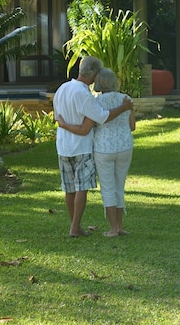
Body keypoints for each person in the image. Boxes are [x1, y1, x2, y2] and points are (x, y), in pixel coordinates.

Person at [53, 57, 133, 238]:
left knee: (69, 188)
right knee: (81, 188)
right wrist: (123, 107)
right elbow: (102, 117)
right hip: (81, 147)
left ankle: (75, 225)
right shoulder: (83, 94)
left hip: (63, 146)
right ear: (95, 74)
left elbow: (58, 117)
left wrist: (64, 125)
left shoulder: (62, 89)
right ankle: (75, 227)